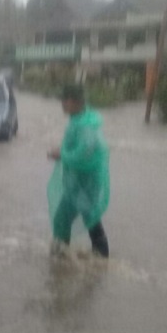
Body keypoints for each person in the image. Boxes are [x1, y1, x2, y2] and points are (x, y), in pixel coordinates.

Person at [47, 84, 110, 258]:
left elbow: (86, 152)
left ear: (74, 101)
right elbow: (81, 149)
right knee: (70, 219)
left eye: (64, 100)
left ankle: (98, 262)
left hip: (85, 183)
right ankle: (62, 259)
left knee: (89, 219)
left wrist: (61, 154)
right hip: (78, 182)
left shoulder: (85, 126)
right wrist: (63, 153)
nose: (61, 104)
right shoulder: (81, 120)